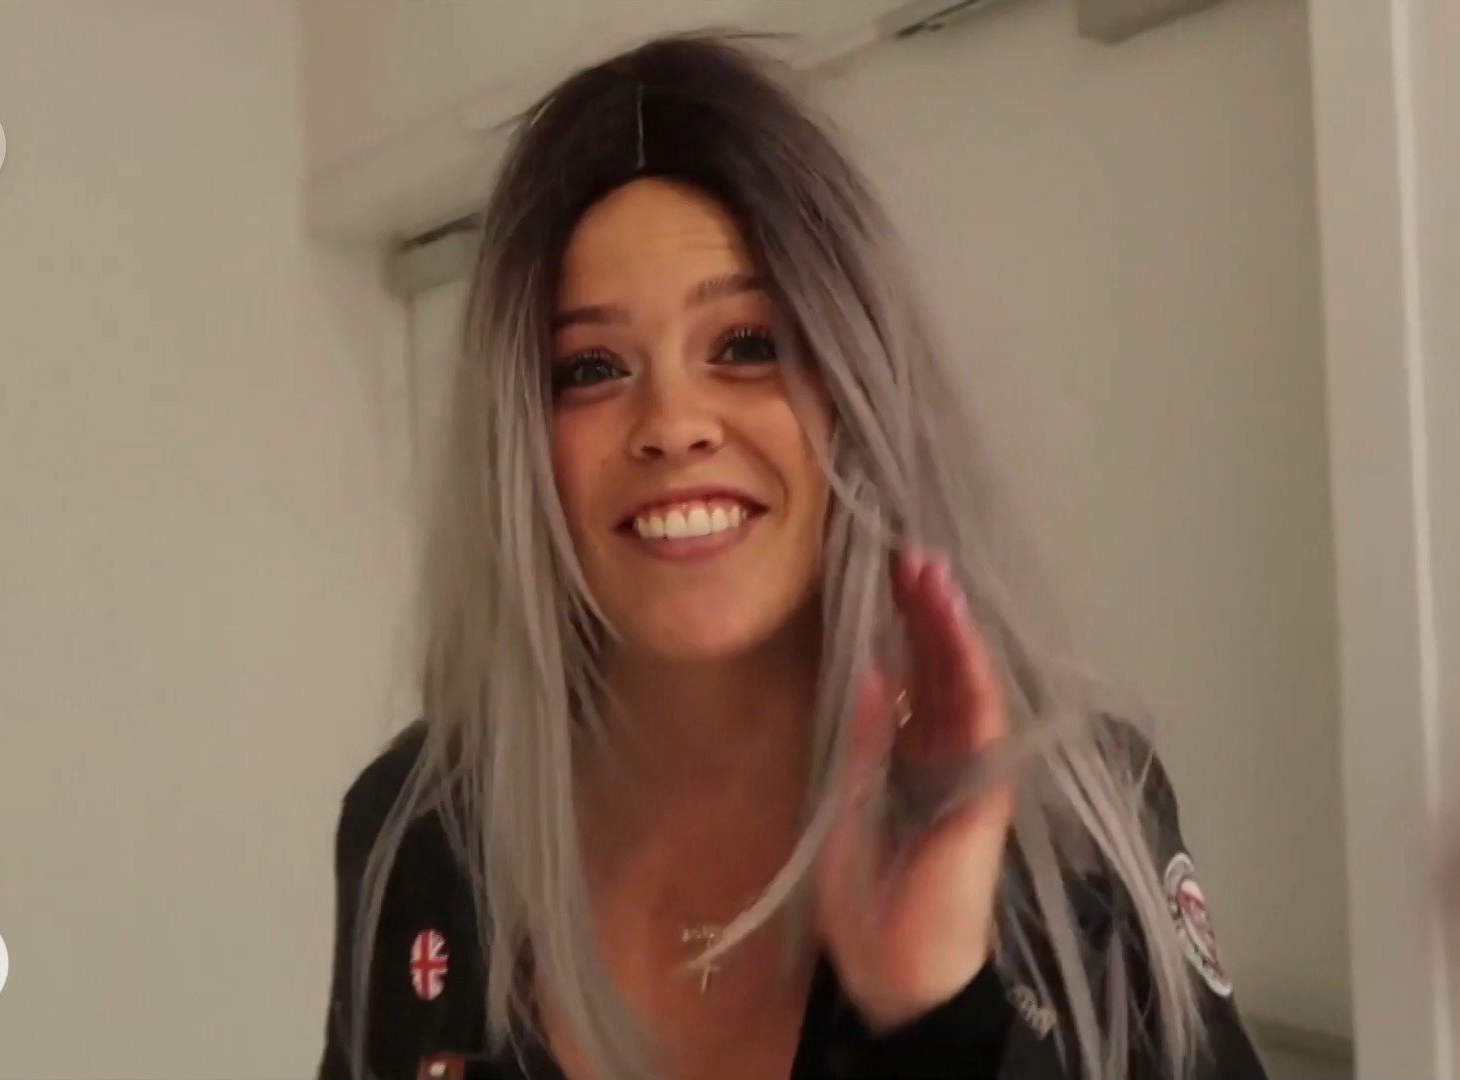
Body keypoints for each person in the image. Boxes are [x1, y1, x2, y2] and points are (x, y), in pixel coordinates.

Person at [318, 31, 1269, 1080]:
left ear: (859, 384)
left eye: (746, 345)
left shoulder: (1073, 814)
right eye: (590, 367)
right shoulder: (416, 829)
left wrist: (941, 1021)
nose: (672, 424)